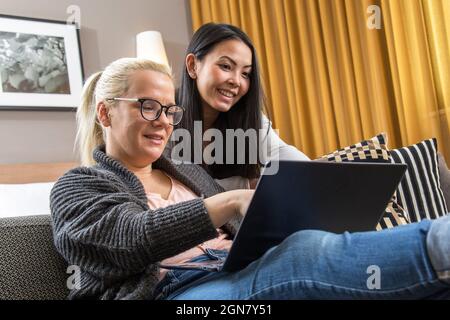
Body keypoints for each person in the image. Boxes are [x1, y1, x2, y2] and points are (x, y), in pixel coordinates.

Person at [50, 57, 450, 300]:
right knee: (303, 256)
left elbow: (243, 235)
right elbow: (129, 238)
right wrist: (232, 199)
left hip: (236, 271)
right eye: (149, 107)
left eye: (170, 112)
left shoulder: (186, 172)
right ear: (105, 114)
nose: (164, 123)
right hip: (177, 293)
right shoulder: (79, 185)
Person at [176, 23, 310, 190]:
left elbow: (284, 155)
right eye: (226, 66)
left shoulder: (247, 116)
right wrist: (247, 184)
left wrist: (316, 174)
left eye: (245, 73)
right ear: (192, 65)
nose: (236, 81)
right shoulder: (165, 115)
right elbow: (176, 190)